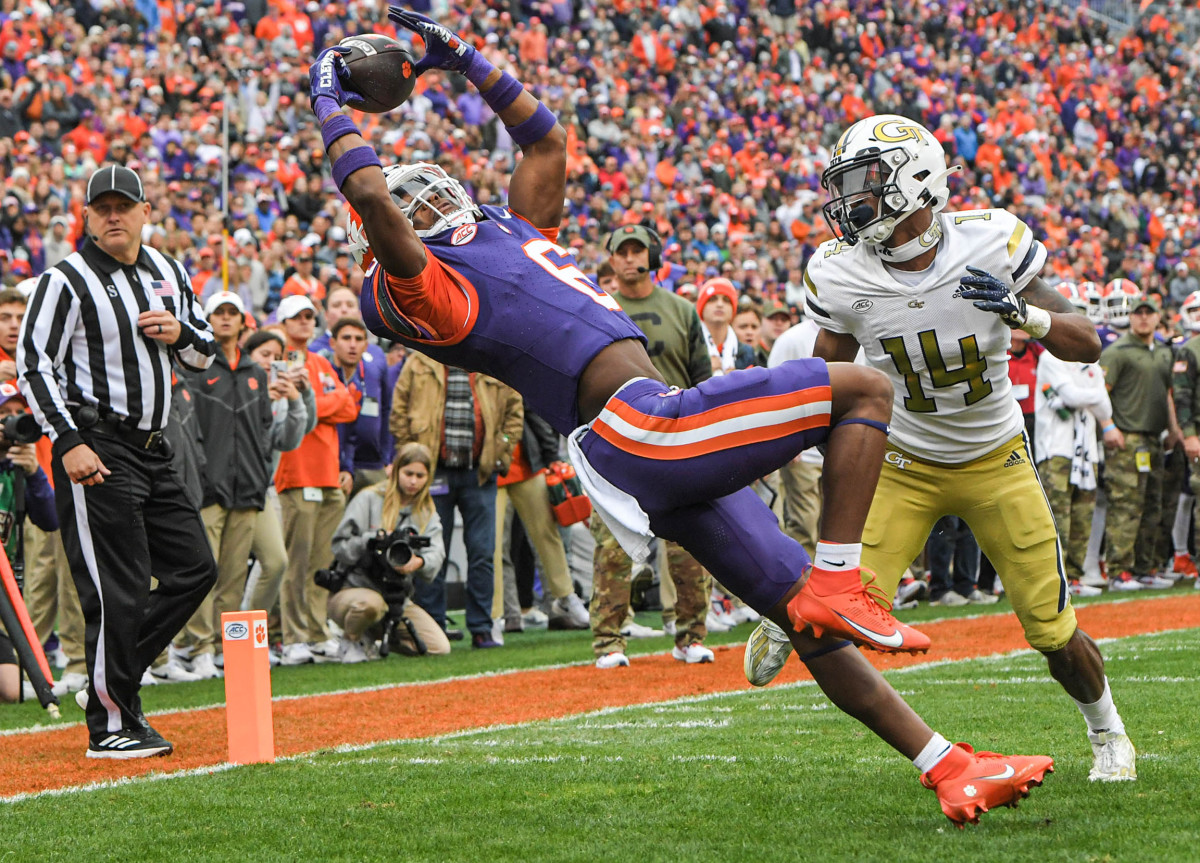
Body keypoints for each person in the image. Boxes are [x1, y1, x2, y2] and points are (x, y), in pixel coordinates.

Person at [309, 20, 1051, 825]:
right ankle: (844, 578)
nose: (421, 194)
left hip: (643, 436)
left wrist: (465, 59)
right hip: (638, 426)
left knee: (800, 615)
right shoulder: (420, 290)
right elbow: (372, 195)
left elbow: (546, 141)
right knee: (865, 391)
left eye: (422, 187)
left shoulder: (506, 232)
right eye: (405, 201)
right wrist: (328, 97)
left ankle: (949, 765)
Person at [746, 114, 1134, 784]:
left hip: (997, 458)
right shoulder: (839, 271)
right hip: (903, 463)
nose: (848, 199)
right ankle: (793, 605)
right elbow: (827, 379)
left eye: (864, 181)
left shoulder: (991, 238)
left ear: (914, 180)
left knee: (1052, 631)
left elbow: (1089, 342)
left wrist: (1026, 314)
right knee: (838, 607)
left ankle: (1109, 732)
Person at [19, 164, 217, 759]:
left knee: (195, 569)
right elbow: (34, 365)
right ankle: (110, 726)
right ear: (85, 217)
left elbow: (205, 353)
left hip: (154, 447)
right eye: (101, 207)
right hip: (98, 444)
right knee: (117, 588)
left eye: (123, 206)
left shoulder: (168, 270)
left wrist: (179, 333)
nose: (113, 216)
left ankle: (111, 681)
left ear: (144, 212)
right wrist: (67, 441)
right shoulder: (66, 280)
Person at [594, 222, 717, 665]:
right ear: (611, 259)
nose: (630, 258)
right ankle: (608, 642)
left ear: (653, 256)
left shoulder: (682, 310)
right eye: (622, 251)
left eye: (637, 250)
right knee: (612, 546)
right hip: (617, 439)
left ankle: (691, 636)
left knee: (690, 545)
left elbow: (703, 379)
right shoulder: (599, 308)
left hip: (677, 438)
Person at [171, 292, 278, 679]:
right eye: (220, 312)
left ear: (243, 321)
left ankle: (220, 645)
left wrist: (260, 474)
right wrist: (198, 477)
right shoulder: (195, 368)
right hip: (207, 488)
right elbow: (189, 431)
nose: (227, 318)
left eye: (233, 312)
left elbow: (265, 431)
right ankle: (197, 647)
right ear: (208, 319)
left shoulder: (256, 373)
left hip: (247, 487)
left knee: (233, 576)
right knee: (205, 573)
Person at [389, 349, 523, 648]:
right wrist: (412, 455)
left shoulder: (491, 357)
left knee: (482, 552)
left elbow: (515, 412)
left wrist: (501, 450)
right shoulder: (419, 360)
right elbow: (398, 411)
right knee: (433, 550)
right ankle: (433, 626)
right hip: (434, 473)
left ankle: (482, 627)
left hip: (481, 472)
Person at [273, 293, 360, 665]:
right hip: (296, 473)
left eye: (309, 316)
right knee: (296, 564)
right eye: (297, 317)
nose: (305, 322)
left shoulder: (321, 361)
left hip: (327, 474)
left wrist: (311, 405)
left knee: (321, 563)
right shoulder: (279, 361)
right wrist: (320, 404)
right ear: (283, 323)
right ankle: (293, 636)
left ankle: (317, 630)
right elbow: (287, 409)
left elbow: (350, 407)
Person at [329, 442, 450, 661]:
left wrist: (418, 562)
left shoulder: (426, 511)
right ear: (395, 471)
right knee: (371, 605)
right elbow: (339, 545)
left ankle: (375, 637)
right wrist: (371, 540)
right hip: (353, 590)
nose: (413, 481)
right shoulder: (369, 498)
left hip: (396, 598)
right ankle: (350, 638)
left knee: (439, 647)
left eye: (420, 476)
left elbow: (437, 552)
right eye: (408, 473)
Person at [1099, 291, 1178, 591]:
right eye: (1138, 313)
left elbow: (1168, 394)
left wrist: (1173, 430)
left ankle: (1146, 568)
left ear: (1158, 317)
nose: (1143, 318)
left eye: (1149, 313)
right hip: (1127, 437)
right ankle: (1119, 571)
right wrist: (1108, 427)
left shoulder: (1164, 353)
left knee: (1152, 505)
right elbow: (1100, 393)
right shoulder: (1117, 351)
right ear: (1130, 317)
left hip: (1155, 438)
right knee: (1125, 505)